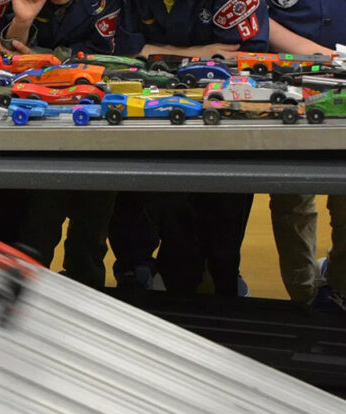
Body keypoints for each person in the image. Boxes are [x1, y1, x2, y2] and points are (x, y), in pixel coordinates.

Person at [112, 0, 269, 296]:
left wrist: (155, 50)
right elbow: (127, 53)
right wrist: (201, 53)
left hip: (222, 124)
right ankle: (159, 275)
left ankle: (222, 279)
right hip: (152, 120)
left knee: (224, 219)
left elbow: (243, 58)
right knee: (153, 205)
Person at [0, 0, 121, 288]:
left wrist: (43, 58)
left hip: (96, 133)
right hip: (37, 134)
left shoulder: (106, 5)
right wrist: (23, 21)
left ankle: (86, 291)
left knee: (91, 232)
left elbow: (106, 60)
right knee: (36, 227)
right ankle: (25, 293)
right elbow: (7, 55)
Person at [267, 0, 346, 314]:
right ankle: (303, 295)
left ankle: (340, 288)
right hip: (287, 85)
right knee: (292, 199)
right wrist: (329, 58)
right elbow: (257, 19)